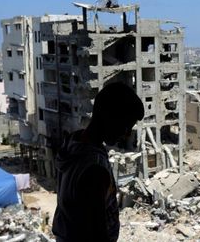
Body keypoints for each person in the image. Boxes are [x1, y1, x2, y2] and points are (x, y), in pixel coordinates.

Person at [52, 82, 144, 242]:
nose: (128, 134)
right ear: (109, 118)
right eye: (126, 126)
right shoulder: (94, 170)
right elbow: (95, 234)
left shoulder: (73, 144)